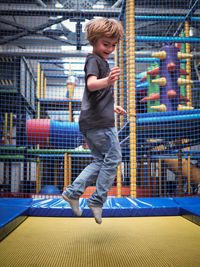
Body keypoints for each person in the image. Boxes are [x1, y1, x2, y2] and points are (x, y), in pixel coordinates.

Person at [62, 18, 126, 224]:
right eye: (105, 44)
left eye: (113, 45)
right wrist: (107, 80)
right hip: (100, 124)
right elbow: (91, 85)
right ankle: (97, 200)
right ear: (93, 41)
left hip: (93, 121)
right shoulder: (94, 61)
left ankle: (73, 193)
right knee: (114, 158)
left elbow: (97, 95)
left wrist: (112, 106)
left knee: (100, 161)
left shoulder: (102, 62)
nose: (110, 48)